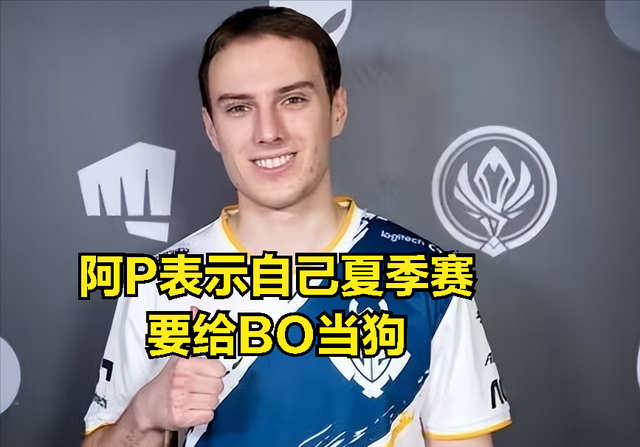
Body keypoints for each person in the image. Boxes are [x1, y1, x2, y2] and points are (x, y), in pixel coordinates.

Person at [82, 6, 511, 447]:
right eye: (238, 107)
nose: (268, 131)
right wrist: (145, 416)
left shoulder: (429, 277)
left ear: (337, 109)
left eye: (293, 100)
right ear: (211, 129)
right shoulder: (156, 284)